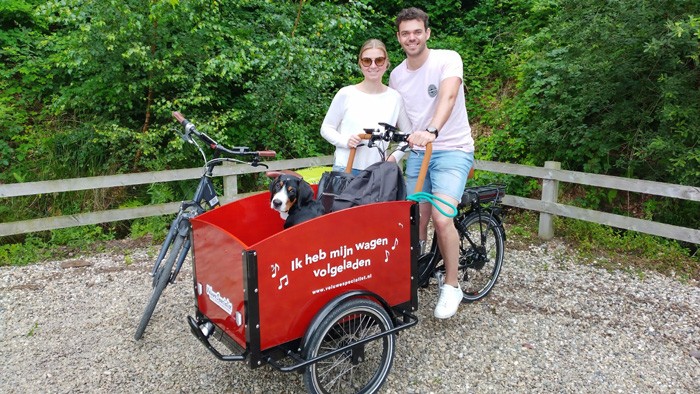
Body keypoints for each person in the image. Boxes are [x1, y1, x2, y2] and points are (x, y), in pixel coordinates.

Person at [389, 7, 475, 319]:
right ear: (399, 38)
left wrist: (432, 131)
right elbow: (404, 124)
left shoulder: (447, 59)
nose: (411, 37)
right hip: (419, 154)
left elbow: (448, 98)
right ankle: (413, 275)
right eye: (405, 33)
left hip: (452, 150)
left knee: (441, 218)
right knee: (413, 221)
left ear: (427, 33)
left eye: (416, 31)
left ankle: (452, 286)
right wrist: (395, 153)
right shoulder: (397, 75)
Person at [321, 39, 411, 175]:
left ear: (387, 63)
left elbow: (408, 136)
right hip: (345, 169)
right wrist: (345, 141)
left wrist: (392, 158)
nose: (373, 66)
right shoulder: (346, 93)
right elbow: (326, 128)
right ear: (360, 63)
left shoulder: (395, 98)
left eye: (379, 60)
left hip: (377, 173)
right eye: (367, 61)